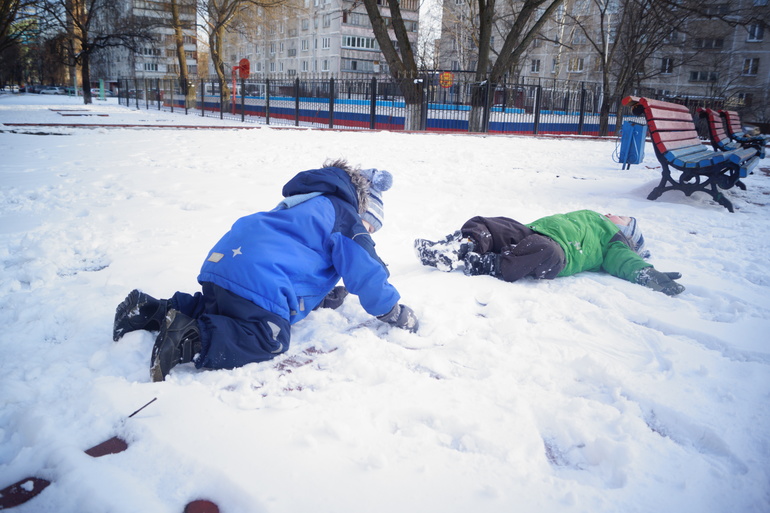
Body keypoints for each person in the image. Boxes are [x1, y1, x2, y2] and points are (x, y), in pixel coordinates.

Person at [113, 159, 419, 381]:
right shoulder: (347, 218)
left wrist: (322, 296)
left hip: (227, 263)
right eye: (369, 228)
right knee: (266, 336)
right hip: (259, 279)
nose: (367, 234)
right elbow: (366, 270)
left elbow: (295, 259)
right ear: (363, 210)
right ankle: (189, 339)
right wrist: (391, 310)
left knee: (218, 307)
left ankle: (154, 309)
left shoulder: (305, 204)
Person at [414, 210, 685, 296]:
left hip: (557, 255)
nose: (616, 214)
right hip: (534, 231)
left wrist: (646, 273)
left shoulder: (615, 242)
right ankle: (455, 248)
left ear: (628, 234)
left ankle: (487, 264)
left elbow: (626, 262)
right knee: (490, 223)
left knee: (543, 251)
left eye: (625, 218)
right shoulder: (593, 215)